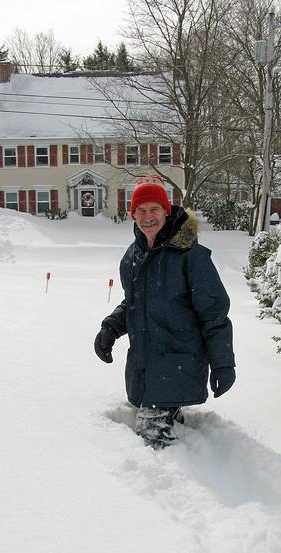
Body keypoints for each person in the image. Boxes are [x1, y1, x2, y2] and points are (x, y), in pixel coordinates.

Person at [94, 174, 235, 449]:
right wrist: (111, 327)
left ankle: (176, 488)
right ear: (133, 215)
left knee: (153, 441)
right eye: (141, 211)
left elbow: (214, 314)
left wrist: (223, 363)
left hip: (177, 364)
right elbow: (134, 303)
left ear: (166, 211)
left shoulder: (190, 255)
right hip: (146, 366)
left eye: (154, 209)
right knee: (155, 431)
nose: (148, 217)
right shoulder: (133, 255)